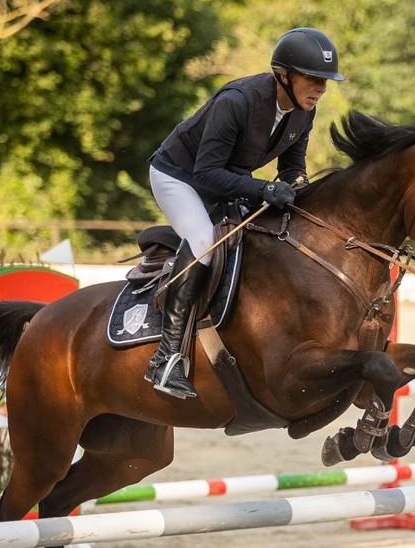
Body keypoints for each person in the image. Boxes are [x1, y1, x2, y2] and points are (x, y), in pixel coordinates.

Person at [145, 27, 344, 398]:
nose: (320, 89)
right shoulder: (237, 101)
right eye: (313, 79)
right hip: (179, 175)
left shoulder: (303, 112)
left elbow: (291, 165)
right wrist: (264, 189)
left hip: (226, 177)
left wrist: (297, 185)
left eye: (325, 82)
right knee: (204, 241)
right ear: (284, 75)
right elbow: (205, 173)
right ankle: (165, 357)